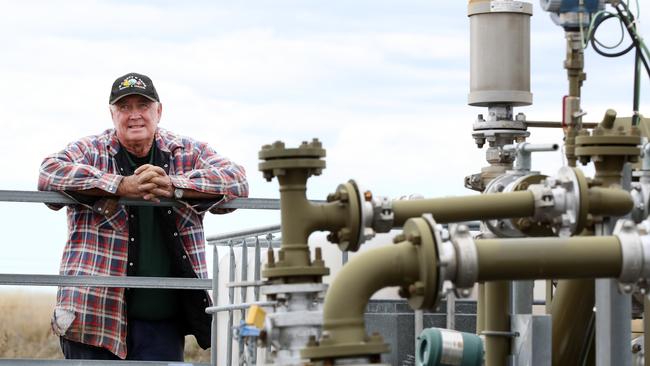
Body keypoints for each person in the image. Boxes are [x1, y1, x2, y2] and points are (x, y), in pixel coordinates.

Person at [38, 72, 249, 361]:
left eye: (143, 106)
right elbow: (49, 172)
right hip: (92, 316)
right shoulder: (91, 150)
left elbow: (236, 179)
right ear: (112, 114)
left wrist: (175, 186)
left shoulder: (184, 152)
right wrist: (120, 186)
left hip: (162, 325)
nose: (134, 115)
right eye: (125, 107)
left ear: (158, 111)